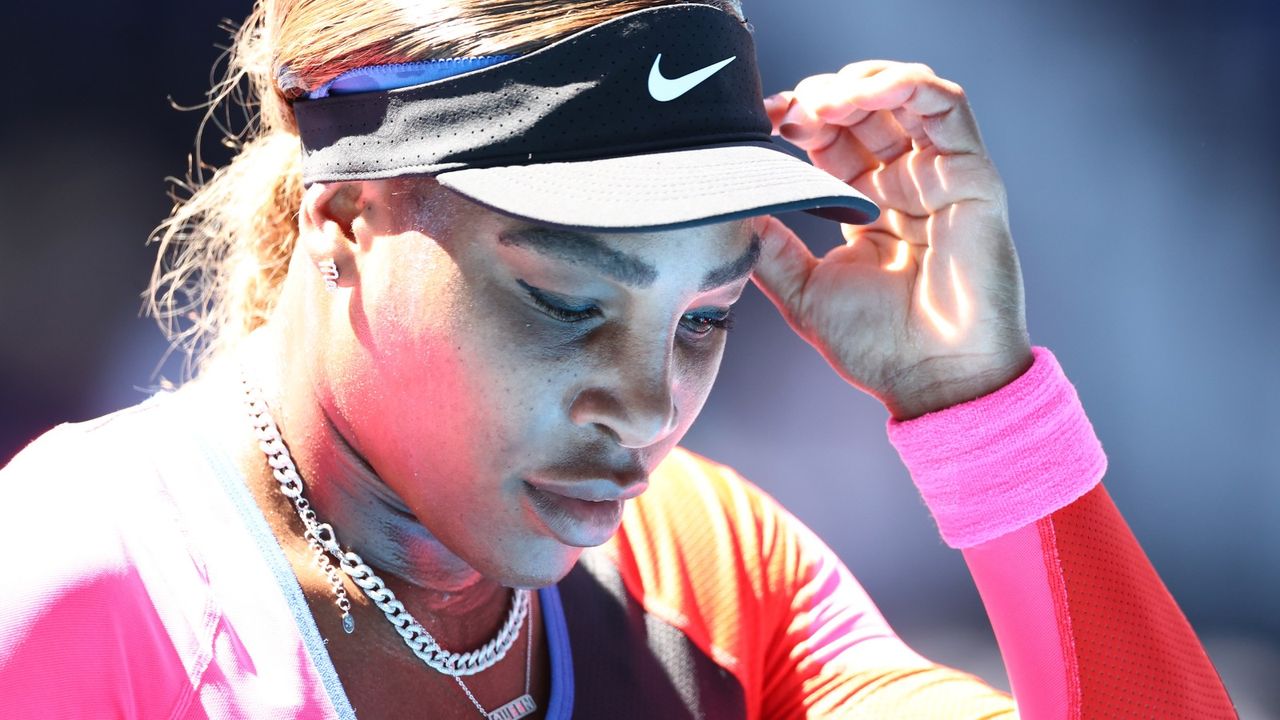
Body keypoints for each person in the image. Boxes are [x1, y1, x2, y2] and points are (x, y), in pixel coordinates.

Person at [0, 0, 1240, 718]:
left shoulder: (706, 569)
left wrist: (977, 405)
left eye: (703, 318)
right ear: (345, 221)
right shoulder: (74, 586)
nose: (646, 408)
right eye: (562, 302)